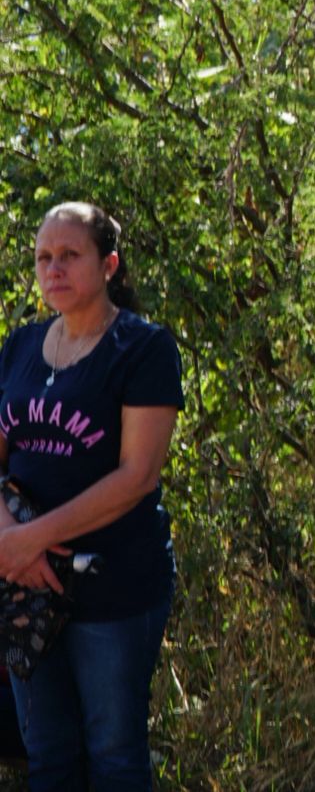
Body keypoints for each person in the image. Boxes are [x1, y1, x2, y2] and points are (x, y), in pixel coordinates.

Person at [0, 202, 183, 792]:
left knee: (114, 754)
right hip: (27, 589)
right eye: (43, 258)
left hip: (115, 586)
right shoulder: (20, 346)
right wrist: (10, 541)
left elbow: (137, 476)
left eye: (69, 255)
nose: (53, 268)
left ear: (109, 264)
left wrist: (31, 539)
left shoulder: (144, 349)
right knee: (47, 756)